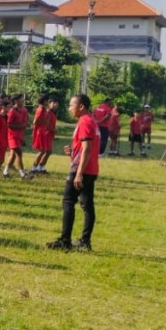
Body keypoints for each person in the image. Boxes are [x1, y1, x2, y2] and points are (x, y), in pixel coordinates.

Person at [46, 94, 99, 252]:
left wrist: (79, 173)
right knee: (87, 204)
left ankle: (65, 240)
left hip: (82, 169)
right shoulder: (89, 121)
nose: (69, 108)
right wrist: (72, 151)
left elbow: (88, 148)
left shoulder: (85, 121)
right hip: (90, 168)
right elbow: (84, 147)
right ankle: (85, 241)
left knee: (68, 202)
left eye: (71, 105)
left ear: (81, 106)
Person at [3, 94, 30, 179]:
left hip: (20, 135)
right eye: (21, 99)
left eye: (23, 99)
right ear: (16, 101)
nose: (23, 101)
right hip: (12, 136)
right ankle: (23, 174)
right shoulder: (12, 111)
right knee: (19, 153)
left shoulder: (24, 110)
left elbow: (26, 122)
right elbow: (9, 124)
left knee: (13, 155)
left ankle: (6, 171)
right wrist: (21, 126)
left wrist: (28, 126)